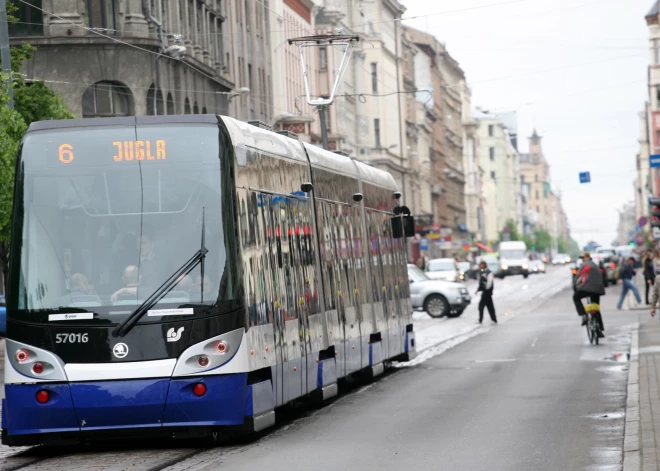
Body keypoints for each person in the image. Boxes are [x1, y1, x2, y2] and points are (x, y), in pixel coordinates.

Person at [573, 252, 605, 334]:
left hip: (585, 289)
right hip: (598, 290)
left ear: (588, 257)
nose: (582, 260)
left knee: (575, 297)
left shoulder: (584, 265)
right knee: (595, 307)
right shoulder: (596, 266)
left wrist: (575, 288)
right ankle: (600, 329)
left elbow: (578, 277)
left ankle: (583, 315)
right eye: (581, 258)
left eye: (583, 258)